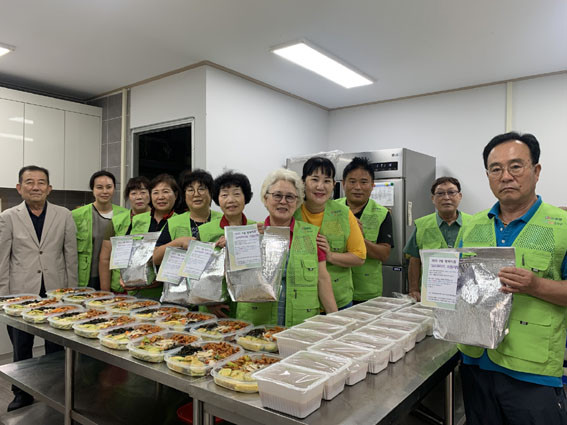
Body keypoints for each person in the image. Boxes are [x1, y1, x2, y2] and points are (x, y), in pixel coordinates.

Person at [459, 132, 567, 425]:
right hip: (475, 360)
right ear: (488, 176)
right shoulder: (472, 225)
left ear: (536, 171)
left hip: (532, 370)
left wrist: (536, 285)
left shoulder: (562, 226)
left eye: (516, 166)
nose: (505, 176)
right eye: (496, 169)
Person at [0, 165, 78, 411]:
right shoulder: (8, 216)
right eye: (30, 182)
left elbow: (70, 256)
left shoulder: (64, 215)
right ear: (19, 187)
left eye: (41, 182)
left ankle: (55, 391)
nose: (36, 187)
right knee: (21, 346)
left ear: (49, 188)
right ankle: (21, 394)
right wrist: (3, 296)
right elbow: (2, 258)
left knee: (56, 347)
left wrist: (72, 294)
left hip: (57, 293)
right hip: (20, 294)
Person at [236, 169, 338, 326]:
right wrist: (232, 245)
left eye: (290, 197)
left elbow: (322, 279)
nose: (283, 201)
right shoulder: (249, 236)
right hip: (256, 325)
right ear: (266, 199)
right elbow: (236, 280)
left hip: (300, 326)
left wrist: (336, 320)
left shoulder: (311, 236)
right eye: (277, 195)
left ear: (297, 202)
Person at [294, 157, 366, 309]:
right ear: (303, 182)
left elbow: (359, 257)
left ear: (333, 185)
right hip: (300, 302)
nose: (320, 186)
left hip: (339, 300)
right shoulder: (292, 211)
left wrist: (330, 256)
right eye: (314, 179)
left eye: (327, 181)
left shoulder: (344, 214)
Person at [196, 171, 257, 318]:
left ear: (245, 197)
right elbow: (196, 270)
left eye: (236, 194)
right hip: (213, 306)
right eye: (224, 195)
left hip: (249, 304)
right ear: (217, 199)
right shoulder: (204, 231)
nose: (231, 200)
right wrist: (208, 302)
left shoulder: (256, 229)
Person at [403, 176, 470, 301]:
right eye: (440, 193)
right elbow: (414, 259)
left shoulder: (473, 224)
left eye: (451, 192)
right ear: (433, 198)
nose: (446, 197)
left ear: (459, 196)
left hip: (466, 295)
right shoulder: (422, 225)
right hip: (432, 295)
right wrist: (414, 289)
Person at [338, 157, 393, 301]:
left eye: (363, 182)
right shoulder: (332, 209)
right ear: (343, 184)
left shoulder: (382, 214)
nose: (358, 187)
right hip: (335, 290)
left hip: (366, 292)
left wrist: (360, 239)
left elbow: (384, 254)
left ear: (372, 185)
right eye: (352, 181)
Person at [153, 169, 222, 265]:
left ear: (211, 193)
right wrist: (178, 242)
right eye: (190, 190)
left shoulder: (223, 220)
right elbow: (154, 258)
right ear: (184, 196)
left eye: (201, 189)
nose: (196, 194)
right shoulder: (174, 222)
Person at [72, 170, 128, 289]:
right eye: (99, 187)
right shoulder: (76, 215)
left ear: (114, 189)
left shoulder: (125, 215)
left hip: (117, 278)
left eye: (109, 187)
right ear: (92, 189)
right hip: (86, 277)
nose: (105, 191)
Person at [99, 176, 151, 293]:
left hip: (148, 290)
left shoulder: (159, 219)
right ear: (128, 197)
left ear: (150, 195)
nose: (139, 197)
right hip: (119, 288)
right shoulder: (117, 221)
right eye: (133, 193)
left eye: (143, 192)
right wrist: (105, 292)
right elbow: (105, 258)